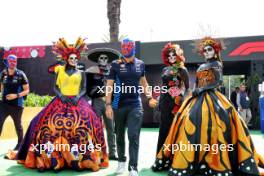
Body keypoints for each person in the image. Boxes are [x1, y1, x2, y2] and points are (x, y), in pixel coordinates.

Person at [152, 37, 264, 176]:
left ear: (215, 51)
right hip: (196, 97)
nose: (206, 52)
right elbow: (196, 84)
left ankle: (217, 159)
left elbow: (218, 81)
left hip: (212, 97)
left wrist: (201, 90)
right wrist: (195, 91)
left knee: (216, 123)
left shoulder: (217, 63)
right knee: (188, 122)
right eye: (204, 50)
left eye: (209, 49)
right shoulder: (200, 66)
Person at [6, 38, 109, 172]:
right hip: (60, 100)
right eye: (71, 58)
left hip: (77, 102)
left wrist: (77, 97)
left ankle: (82, 158)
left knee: (92, 123)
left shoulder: (81, 73)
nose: (74, 60)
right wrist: (61, 96)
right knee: (39, 122)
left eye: (75, 58)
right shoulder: (59, 70)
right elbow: (55, 86)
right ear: (66, 58)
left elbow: (84, 88)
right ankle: (48, 158)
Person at [105, 38, 157, 176]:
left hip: (135, 105)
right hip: (118, 106)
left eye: (128, 47)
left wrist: (150, 97)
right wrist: (108, 105)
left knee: (133, 136)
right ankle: (121, 162)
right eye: (123, 47)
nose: (125, 49)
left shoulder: (141, 64)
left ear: (133, 48)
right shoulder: (115, 64)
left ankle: (133, 167)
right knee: (120, 135)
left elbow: (144, 83)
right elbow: (109, 86)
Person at [152, 43, 190, 160]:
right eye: (169, 55)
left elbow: (187, 87)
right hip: (164, 101)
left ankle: (175, 158)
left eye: (174, 55)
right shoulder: (165, 69)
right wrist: (159, 99)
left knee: (175, 129)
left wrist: (180, 96)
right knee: (164, 128)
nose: (171, 57)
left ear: (178, 55)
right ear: (166, 57)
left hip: (176, 103)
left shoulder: (182, 69)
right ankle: (161, 157)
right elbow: (164, 86)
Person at [86, 48, 120, 160]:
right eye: (101, 58)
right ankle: (98, 152)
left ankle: (112, 153)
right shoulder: (91, 71)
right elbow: (88, 88)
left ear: (108, 60)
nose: (104, 60)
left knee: (111, 127)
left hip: (109, 103)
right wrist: (97, 93)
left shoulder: (112, 71)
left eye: (106, 58)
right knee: (96, 128)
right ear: (98, 59)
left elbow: (117, 87)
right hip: (97, 102)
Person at [0, 54, 30, 150]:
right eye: (11, 61)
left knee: (18, 125)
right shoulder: (3, 73)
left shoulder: (21, 74)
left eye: (15, 61)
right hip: (4, 104)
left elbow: (27, 90)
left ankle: (20, 144)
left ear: (16, 62)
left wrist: (15, 96)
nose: (13, 63)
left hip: (17, 105)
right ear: (7, 62)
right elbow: (1, 87)